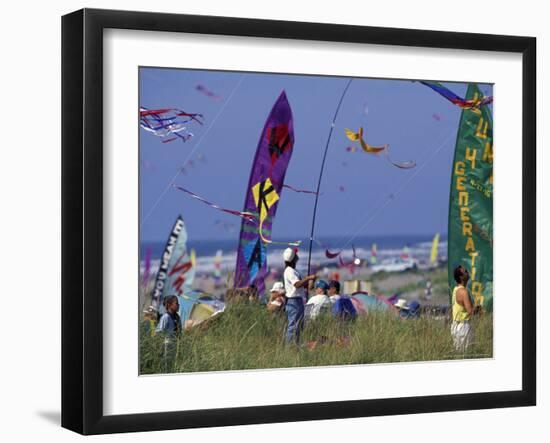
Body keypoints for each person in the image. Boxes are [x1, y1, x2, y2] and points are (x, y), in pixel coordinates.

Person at [283, 248, 316, 344]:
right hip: (294, 301)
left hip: (297, 301)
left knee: (298, 326)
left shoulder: (293, 271)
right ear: (294, 259)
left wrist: (311, 282)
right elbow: (297, 284)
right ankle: (290, 348)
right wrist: (308, 277)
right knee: (293, 326)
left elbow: (303, 286)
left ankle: (295, 345)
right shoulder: (289, 271)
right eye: (296, 256)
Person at [451, 265, 476, 351]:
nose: (467, 272)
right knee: (468, 355)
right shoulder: (463, 291)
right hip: (463, 327)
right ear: (461, 277)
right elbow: (470, 311)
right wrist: (478, 309)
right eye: (465, 271)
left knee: (460, 355)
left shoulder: (455, 289)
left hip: (455, 326)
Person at [155, 295, 181, 371]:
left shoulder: (177, 317)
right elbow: (159, 332)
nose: (178, 305)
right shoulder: (165, 317)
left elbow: (179, 331)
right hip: (167, 344)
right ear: (169, 305)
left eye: (178, 304)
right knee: (167, 365)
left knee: (175, 365)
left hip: (176, 344)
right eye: (176, 303)